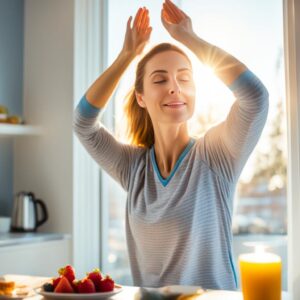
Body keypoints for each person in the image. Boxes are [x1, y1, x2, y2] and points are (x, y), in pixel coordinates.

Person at [73, 0, 269, 290]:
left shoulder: (216, 155)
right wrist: (127, 55)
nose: (175, 86)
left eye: (184, 78)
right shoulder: (134, 168)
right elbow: (83, 123)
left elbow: (255, 98)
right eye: (160, 79)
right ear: (141, 97)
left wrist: (188, 38)